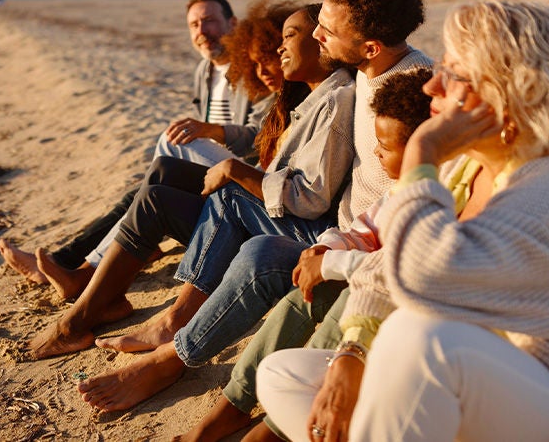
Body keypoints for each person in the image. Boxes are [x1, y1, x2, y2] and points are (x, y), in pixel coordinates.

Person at [258, 0, 549, 442]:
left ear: (513, 90)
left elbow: (421, 281)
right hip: (486, 380)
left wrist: (421, 154)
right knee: (285, 374)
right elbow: (384, 270)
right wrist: (352, 354)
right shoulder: (467, 166)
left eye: (454, 73)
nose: (432, 85)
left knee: (420, 336)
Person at [67, 0, 433, 410]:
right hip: (341, 232)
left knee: (255, 245)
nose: (319, 36)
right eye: (317, 25)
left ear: (371, 47)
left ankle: (173, 357)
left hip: (362, 250)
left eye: (327, 32)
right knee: (191, 181)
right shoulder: (364, 70)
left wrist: (337, 247)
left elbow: (414, 200)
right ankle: (158, 311)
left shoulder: (408, 101)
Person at [26, 0, 351, 360]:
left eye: (289, 37)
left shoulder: (335, 101)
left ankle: (111, 318)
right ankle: (98, 286)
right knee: (161, 176)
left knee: (215, 191)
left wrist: (237, 171)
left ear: (323, 40)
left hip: (297, 229)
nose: (278, 51)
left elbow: (309, 199)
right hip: (275, 212)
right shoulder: (309, 97)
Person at [173, 68, 434, 442]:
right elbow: (363, 229)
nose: (376, 153)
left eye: (385, 147)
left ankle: (273, 429)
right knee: (305, 293)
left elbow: (399, 269)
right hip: (364, 276)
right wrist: (324, 249)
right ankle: (233, 404)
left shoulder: (434, 198)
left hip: (409, 314)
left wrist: (328, 262)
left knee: (342, 297)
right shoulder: (400, 191)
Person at [0, 0, 273, 288]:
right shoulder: (204, 71)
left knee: (171, 147)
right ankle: (68, 263)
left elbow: (260, 138)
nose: (202, 32)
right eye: (194, 25)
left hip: (246, 176)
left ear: (233, 23)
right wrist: (203, 134)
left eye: (209, 21)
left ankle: (88, 265)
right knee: (142, 192)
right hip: (213, 167)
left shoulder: (256, 67)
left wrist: (212, 131)